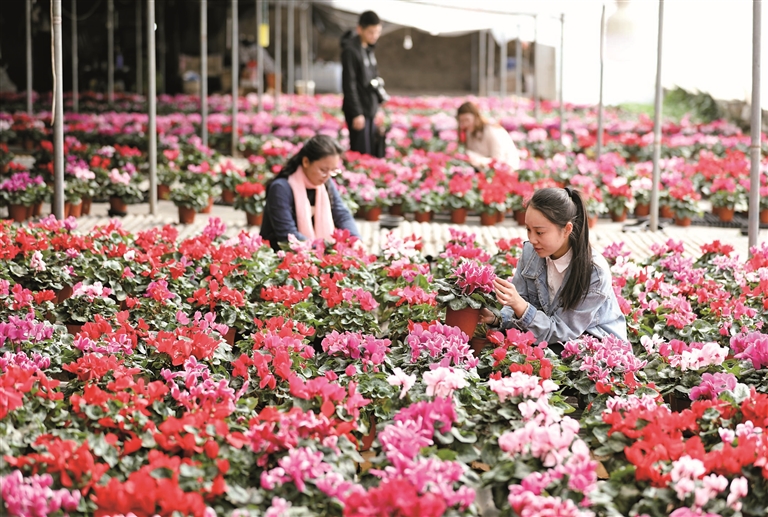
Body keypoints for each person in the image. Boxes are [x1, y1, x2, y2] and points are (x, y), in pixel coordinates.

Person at [480, 187, 627, 347]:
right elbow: (518, 306)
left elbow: (562, 330)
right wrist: (496, 318)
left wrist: (520, 305)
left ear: (567, 229)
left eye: (540, 232)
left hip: (593, 347)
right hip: (546, 338)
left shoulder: (594, 272)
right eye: (528, 230)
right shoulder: (531, 252)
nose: (532, 239)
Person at [260, 135, 361, 251]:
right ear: (306, 162)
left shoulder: (325, 183)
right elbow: (287, 235)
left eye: (332, 170)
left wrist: (355, 238)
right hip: (281, 256)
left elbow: (341, 214)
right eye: (323, 170)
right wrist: (326, 250)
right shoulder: (281, 188)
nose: (327, 176)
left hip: (315, 253)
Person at [341, 11, 384, 157]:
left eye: (377, 32)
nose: (374, 36)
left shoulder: (369, 49)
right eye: (371, 32)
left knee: (371, 151)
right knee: (360, 153)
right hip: (359, 111)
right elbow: (349, 84)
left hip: (369, 108)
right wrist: (356, 113)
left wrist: (376, 108)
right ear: (360, 29)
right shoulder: (351, 51)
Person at [457, 101, 520, 170]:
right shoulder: (469, 132)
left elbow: (498, 159)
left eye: (467, 120)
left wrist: (478, 160)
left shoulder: (491, 130)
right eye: (462, 121)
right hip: (484, 167)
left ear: (476, 117)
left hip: (506, 167)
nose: (465, 124)